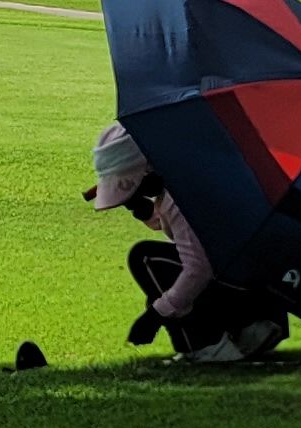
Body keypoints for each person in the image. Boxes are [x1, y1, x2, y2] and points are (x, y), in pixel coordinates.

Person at [84, 121, 287, 365]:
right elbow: (185, 232)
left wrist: (156, 315)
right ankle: (229, 336)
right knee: (164, 281)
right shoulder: (189, 172)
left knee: (146, 259)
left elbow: (199, 269)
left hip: (252, 306)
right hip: (262, 303)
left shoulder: (181, 194)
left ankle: (206, 347)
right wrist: (137, 205)